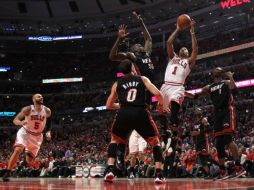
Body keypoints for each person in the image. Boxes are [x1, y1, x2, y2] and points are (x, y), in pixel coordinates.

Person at [104, 59, 165, 184]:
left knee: (114, 140)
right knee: (155, 142)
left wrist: (122, 105)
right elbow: (158, 94)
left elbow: (108, 105)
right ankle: (159, 175)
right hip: (140, 112)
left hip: (124, 113)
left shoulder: (117, 84)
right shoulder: (142, 79)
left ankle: (110, 170)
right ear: (132, 67)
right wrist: (161, 105)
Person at [109, 12, 155, 176]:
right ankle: (120, 157)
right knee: (132, 125)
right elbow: (113, 56)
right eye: (136, 45)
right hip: (139, 89)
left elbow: (148, 38)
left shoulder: (147, 53)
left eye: (140, 45)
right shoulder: (132, 56)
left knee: (141, 125)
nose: (140, 45)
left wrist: (142, 21)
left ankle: (123, 156)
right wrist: (119, 39)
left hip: (147, 91)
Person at [190, 67, 245, 179]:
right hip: (217, 114)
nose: (216, 71)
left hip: (227, 111)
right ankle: (223, 170)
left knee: (228, 139)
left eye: (218, 70)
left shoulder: (226, 82)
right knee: (219, 142)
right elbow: (196, 95)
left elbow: (235, 92)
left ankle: (239, 167)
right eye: (215, 70)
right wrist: (184, 93)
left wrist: (231, 77)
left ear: (221, 73)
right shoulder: (209, 87)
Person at [159, 20, 197, 151]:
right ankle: (166, 135)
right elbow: (169, 43)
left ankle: (175, 136)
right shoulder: (172, 57)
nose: (184, 49)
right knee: (161, 114)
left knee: (174, 112)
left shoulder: (189, 62)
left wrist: (192, 32)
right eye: (182, 48)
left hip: (178, 87)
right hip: (165, 86)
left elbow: (195, 50)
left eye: (186, 49)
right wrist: (177, 29)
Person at [2, 94, 51, 182]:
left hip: (37, 136)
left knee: (29, 161)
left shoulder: (47, 110)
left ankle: (23, 161)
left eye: (42, 96)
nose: (41, 97)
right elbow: (15, 120)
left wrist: (48, 131)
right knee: (18, 150)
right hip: (25, 133)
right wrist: (21, 122)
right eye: (38, 96)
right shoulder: (28, 109)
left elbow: (49, 120)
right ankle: (7, 172)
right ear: (33, 99)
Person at [191, 107, 217, 178]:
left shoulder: (204, 119)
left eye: (198, 111)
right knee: (201, 159)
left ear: (200, 112)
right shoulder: (195, 122)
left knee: (208, 157)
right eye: (195, 112)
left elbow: (209, 129)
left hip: (204, 141)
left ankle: (221, 167)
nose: (196, 113)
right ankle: (208, 174)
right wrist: (193, 134)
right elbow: (194, 133)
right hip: (197, 143)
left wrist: (199, 133)